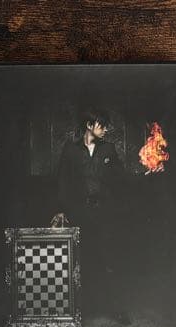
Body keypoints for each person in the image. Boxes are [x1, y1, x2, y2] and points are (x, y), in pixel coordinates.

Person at [51, 109, 123, 306]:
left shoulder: (109, 149)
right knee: (81, 260)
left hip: (105, 212)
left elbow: (121, 178)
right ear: (89, 125)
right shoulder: (70, 150)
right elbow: (62, 181)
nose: (106, 129)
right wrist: (61, 209)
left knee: (109, 258)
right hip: (80, 213)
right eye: (102, 125)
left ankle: (116, 308)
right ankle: (83, 308)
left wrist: (146, 172)